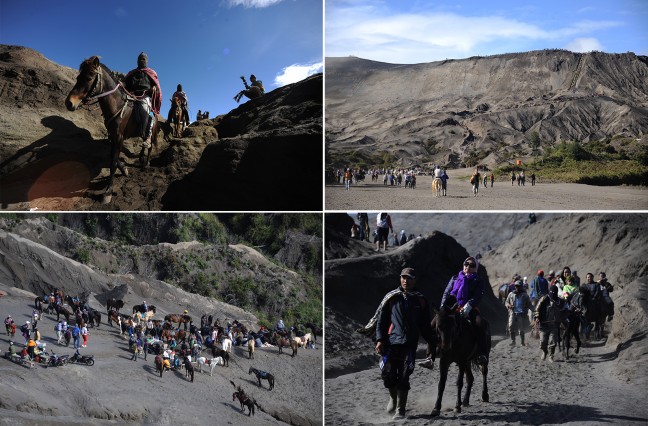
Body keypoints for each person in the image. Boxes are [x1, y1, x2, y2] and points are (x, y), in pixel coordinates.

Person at [369, 268, 435, 420]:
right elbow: (382, 321)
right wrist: (379, 340)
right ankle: (393, 398)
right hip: (391, 343)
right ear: (400, 279)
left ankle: (401, 409)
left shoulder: (421, 300)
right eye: (403, 277)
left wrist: (433, 342)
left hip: (410, 344)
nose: (406, 280)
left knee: (404, 376)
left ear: (414, 280)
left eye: (409, 278)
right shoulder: (391, 298)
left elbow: (425, 326)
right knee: (387, 374)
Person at [441, 257, 489, 365]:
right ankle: (431, 354)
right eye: (466, 264)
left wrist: (468, 305)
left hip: (470, 308)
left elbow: (478, 295)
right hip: (452, 308)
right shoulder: (455, 278)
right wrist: (443, 305)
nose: (468, 267)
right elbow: (447, 292)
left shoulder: (479, 280)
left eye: (472, 265)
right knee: (435, 322)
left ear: (475, 268)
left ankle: (482, 353)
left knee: (480, 323)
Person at [123, 52, 162, 149]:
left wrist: (154, 88)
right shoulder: (132, 73)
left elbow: (157, 86)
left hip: (144, 96)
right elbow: (126, 83)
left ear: (147, 61)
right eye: (140, 58)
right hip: (131, 95)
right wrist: (121, 83)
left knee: (145, 110)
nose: (141, 60)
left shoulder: (151, 73)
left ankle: (147, 136)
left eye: (143, 59)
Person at [534, 285, 567, 361]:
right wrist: (537, 317)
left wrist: (563, 315)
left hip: (554, 325)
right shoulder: (544, 299)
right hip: (544, 325)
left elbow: (565, 309)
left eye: (554, 292)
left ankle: (551, 356)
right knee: (542, 343)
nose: (553, 293)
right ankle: (544, 352)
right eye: (551, 291)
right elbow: (537, 309)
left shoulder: (560, 301)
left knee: (553, 342)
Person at [505, 280, 532, 346]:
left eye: (519, 286)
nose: (517, 287)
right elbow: (506, 302)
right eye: (516, 286)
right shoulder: (511, 294)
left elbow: (529, 305)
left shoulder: (525, 295)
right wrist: (508, 305)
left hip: (521, 313)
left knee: (521, 328)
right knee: (511, 326)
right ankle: (512, 341)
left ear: (521, 287)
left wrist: (535, 310)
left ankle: (522, 342)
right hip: (513, 313)